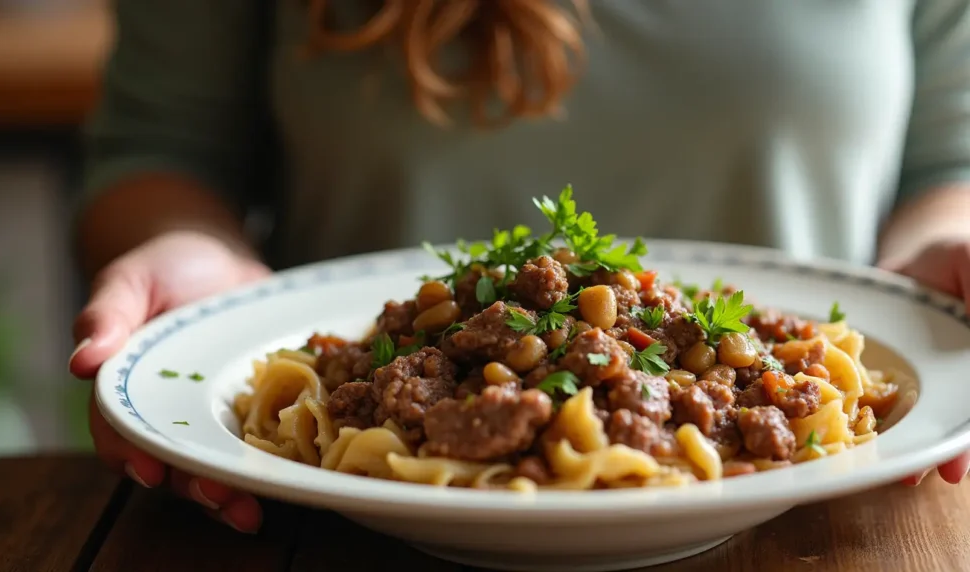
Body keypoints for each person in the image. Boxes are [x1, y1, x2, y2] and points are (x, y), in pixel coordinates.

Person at [69, 1, 970, 534]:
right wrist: (190, 259)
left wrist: (938, 264)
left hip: (802, 521)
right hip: (337, 526)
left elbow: (950, 159)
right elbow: (160, 148)